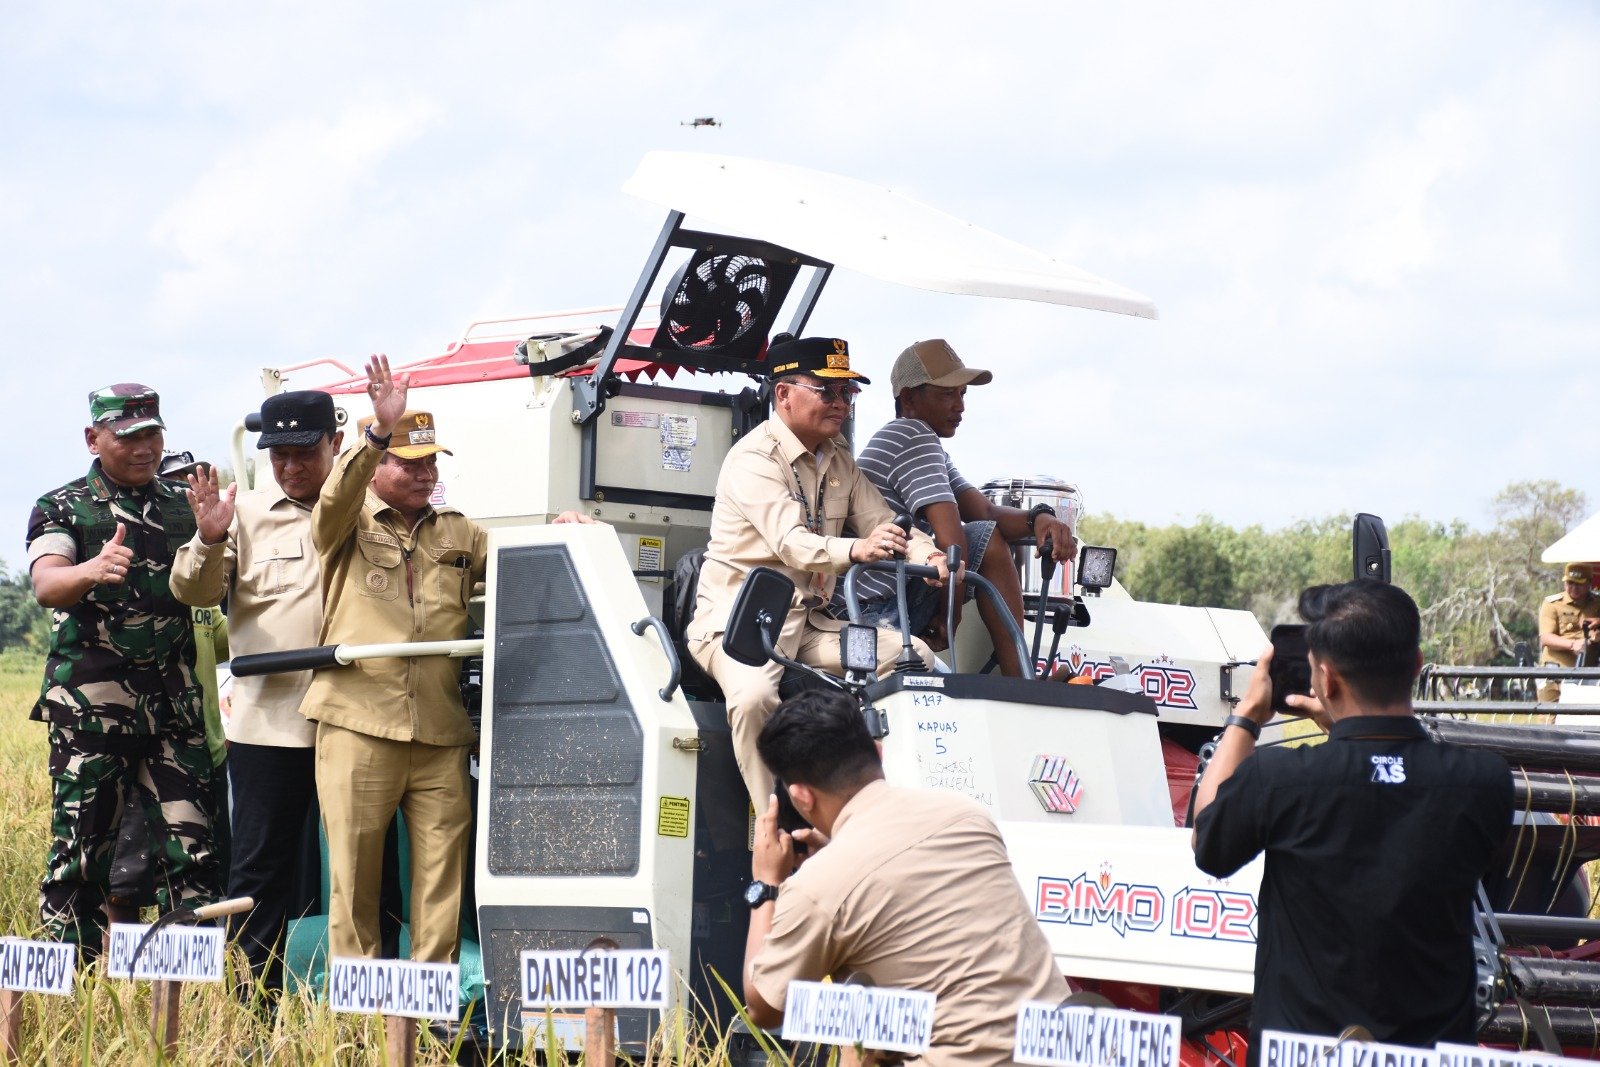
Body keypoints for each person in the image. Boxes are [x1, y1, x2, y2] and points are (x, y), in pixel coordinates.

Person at [305, 356, 589, 964]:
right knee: (353, 878)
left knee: (441, 882)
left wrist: (563, 529)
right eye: (409, 462)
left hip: (439, 732)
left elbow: (522, 560)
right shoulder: (344, 525)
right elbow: (334, 498)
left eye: (431, 461)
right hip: (359, 722)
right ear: (377, 466)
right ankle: (358, 1025)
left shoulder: (458, 531)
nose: (424, 471)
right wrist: (376, 431)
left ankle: (428, 1018)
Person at [1191, 582, 1511, 1061]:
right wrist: (1350, 737)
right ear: (1418, 664)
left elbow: (1208, 843)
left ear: (1326, 678)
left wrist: (1247, 717)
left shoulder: (1282, 779)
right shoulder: (1483, 783)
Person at [742, 689, 1069, 1065]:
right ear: (878, 753)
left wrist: (766, 885)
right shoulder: (967, 816)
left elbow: (765, 1008)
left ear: (801, 797)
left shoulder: (818, 885)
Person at [686, 336, 946, 807]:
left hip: (809, 625)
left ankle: (879, 810)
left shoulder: (838, 456)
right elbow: (794, 544)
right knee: (750, 699)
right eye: (828, 391)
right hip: (743, 627)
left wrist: (927, 556)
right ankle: (771, 829)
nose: (842, 404)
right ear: (783, 395)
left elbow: (882, 521)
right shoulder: (754, 459)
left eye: (848, 393)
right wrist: (860, 549)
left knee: (917, 659)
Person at [25, 384, 220, 960]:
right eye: (129, 436)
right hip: (92, 709)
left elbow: (216, 578)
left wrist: (213, 534)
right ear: (94, 438)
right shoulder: (63, 505)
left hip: (173, 709)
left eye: (153, 433)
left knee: (194, 853)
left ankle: (189, 992)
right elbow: (45, 583)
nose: (145, 447)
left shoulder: (183, 504)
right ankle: (69, 990)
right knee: (82, 854)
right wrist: (91, 567)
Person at [170, 391, 343, 991]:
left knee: (363, 872)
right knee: (260, 873)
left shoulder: (371, 507)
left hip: (357, 725)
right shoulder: (239, 513)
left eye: (303, 452)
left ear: (334, 445)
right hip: (272, 725)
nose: (290, 466)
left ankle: (370, 1012)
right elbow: (193, 592)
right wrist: (209, 539)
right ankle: (253, 1008)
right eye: (278, 455)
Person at [853, 339, 1077, 677]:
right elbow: (953, 540)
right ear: (910, 398)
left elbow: (985, 512)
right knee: (982, 539)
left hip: (891, 595)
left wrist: (1040, 517)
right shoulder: (913, 435)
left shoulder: (925, 445)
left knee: (985, 534)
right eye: (947, 395)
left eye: (962, 394)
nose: (959, 406)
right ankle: (1021, 677)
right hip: (874, 611)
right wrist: (950, 616)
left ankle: (1020, 676)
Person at [1537, 563, 1600, 702]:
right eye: (1569, 583)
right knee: (1549, 719)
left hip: (1587, 675)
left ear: (1590, 583)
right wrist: (1573, 644)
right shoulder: (1552, 604)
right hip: (1555, 673)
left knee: (1581, 719)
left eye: (1579, 584)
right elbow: (1546, 637)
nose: (1573, 588)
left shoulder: (1597, 603)